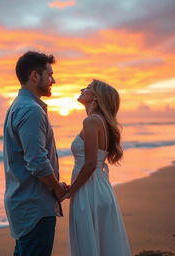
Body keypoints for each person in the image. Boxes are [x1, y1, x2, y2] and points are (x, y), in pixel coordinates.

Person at [3, 51, 68, 256]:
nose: (53, 80)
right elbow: (37, 162)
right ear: (34, 76)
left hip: (24, 204)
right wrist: (57, 188)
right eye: (49, 74)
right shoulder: (31, 110)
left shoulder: (18, 105)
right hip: (34, 207)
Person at [62, 79, 132, 255]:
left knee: (88, 242)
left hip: (88, 190)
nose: (82, 89)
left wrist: (71, 191)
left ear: (96, 98)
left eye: (88, 88)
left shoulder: (91, 122)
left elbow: (91, 163)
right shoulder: (102, 122)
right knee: (102, 244)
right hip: (99, 187)